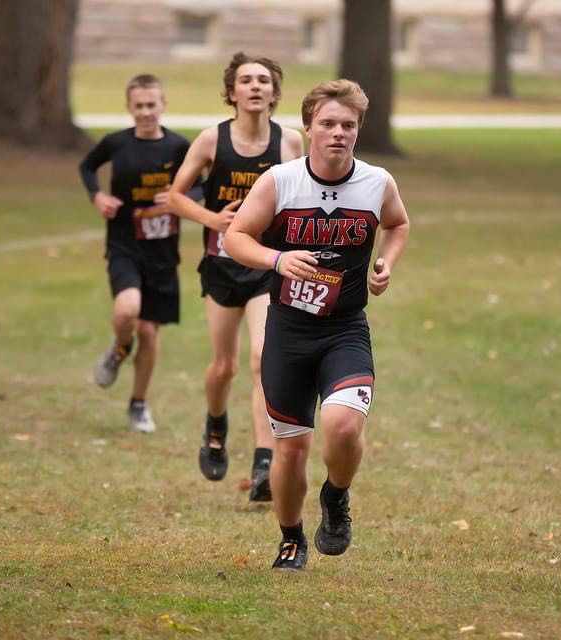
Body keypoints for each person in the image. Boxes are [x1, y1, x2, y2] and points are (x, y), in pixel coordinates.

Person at [224, 79, 411, 571]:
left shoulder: (376, 182)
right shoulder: (281, 181)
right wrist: (277, 259)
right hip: (288, 331)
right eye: (327, 123)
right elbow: (235, 237)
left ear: (358, 131)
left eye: (348, 125)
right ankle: (291, 539)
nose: (338, 133)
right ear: (307, 127)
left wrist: (386, 262)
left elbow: (397, 223)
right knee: (291, 451)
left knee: (343, 427)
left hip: (345, 328)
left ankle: (336, 497)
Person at [155, 53, 304, 500]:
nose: (255, 86)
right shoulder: (210, 141)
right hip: (221, 266)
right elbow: (175, 197)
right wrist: (213, 221)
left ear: (275, 93)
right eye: (246, 80)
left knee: (263, 360)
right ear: (231, 92)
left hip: (265, 265)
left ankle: (263, 463)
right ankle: (215, 424)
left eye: (263, 80)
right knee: (225, 366)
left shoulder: (290, 143)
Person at [78, 74, 191, 433]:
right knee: (127, 310)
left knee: (150, 331)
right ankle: (119, 348)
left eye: (151, 105)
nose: (145, 112)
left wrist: (181, 196)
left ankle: (139, 404)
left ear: (163, 105)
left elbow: (203, 180)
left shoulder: (178, 147)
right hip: (125, 244)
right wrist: (97, 196)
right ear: (129, 108)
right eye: (139, 106)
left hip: (163, 250)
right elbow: (87, 166)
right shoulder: (115, 143)